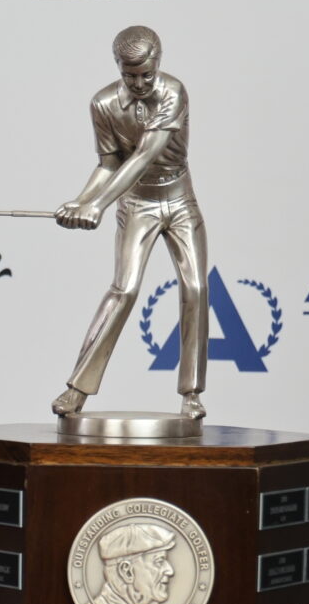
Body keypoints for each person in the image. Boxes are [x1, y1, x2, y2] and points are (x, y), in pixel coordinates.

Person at [50, 24, 211, 421]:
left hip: (179, 199)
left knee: (195, 286)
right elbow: (109, 165)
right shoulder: (103, 104)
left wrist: (98, 206)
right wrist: (81, 201)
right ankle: (76, 389)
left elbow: (143, 156)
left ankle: (191, 393)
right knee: (124, 290)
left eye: (145, 74)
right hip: (136, 205)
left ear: (158, 63)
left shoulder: (174, 91)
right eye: (128, 74)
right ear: (118, 66)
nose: (138, 83)